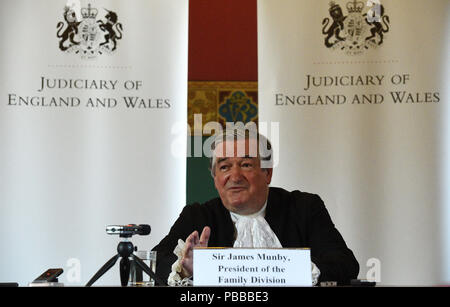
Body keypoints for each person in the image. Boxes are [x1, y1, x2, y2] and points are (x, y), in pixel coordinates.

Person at [152, 128, 359, 286]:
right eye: (224, 167)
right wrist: (185, 269)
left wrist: (288, 270)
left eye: (246, 165)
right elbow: (155, 262)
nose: (234, 177)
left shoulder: (304, 207)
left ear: (267, 173)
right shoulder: (197, 215)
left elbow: (344, 263)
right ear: (215, 179)